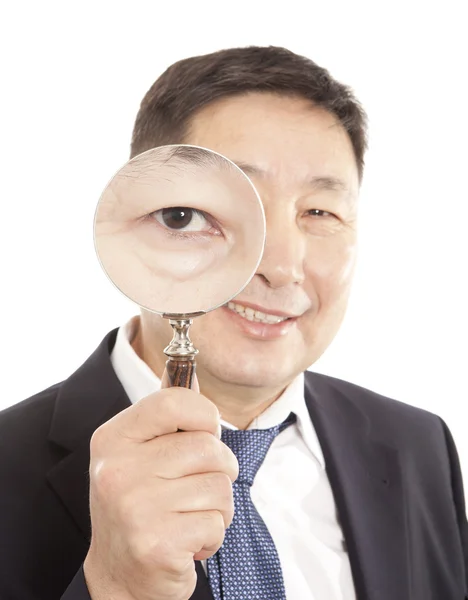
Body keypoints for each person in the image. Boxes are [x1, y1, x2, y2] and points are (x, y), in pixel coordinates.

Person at [0, 45, 467, 600]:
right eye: (203, 214)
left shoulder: (420, 446)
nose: (280, 266)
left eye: (319, 212)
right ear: (148, 221)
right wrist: (119, 588)